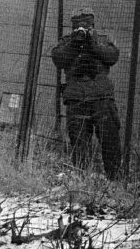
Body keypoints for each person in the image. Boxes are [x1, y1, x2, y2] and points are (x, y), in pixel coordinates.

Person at [51, 9, 121, 177]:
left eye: (86, 27)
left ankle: (115, 180)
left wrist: (92, 43)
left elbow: (112, 57)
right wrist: (75, 44)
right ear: (73, 28)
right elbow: (58, 59)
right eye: (78, 27)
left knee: (110, 142)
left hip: (102, 98)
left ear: (93, 26)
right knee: (79, 143)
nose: (82, 30)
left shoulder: (102, 40)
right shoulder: (67, 42)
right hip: (77, 99)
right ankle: (82, 181)